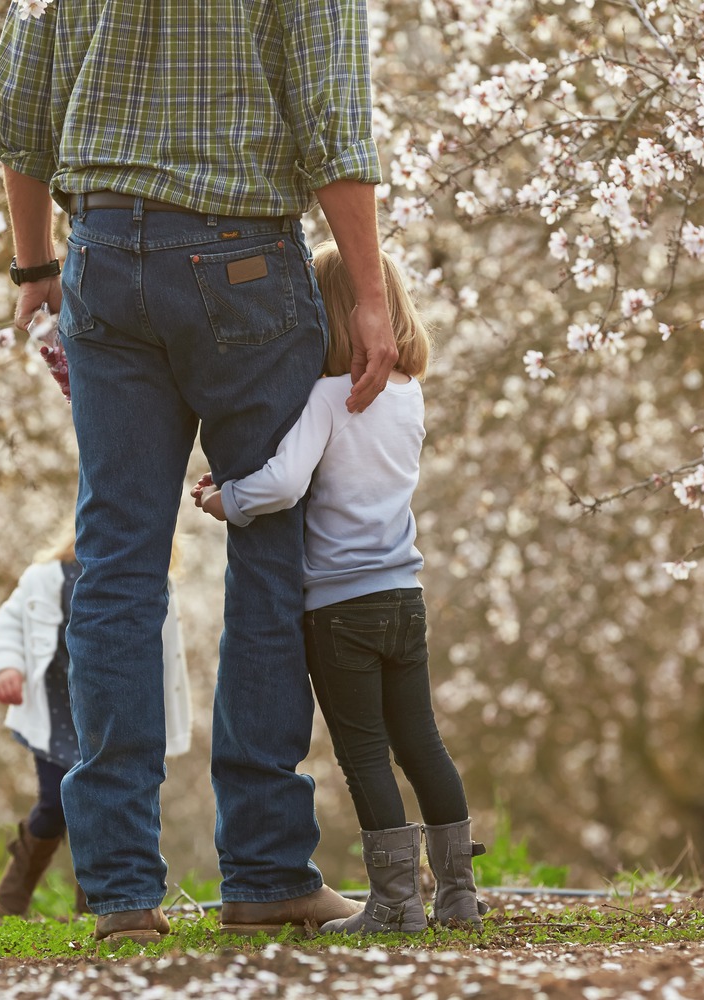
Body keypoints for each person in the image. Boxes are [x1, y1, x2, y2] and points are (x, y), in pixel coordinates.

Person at [0, 0, 398, 942]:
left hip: (100, 257)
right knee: (269, 543)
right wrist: (369, 295)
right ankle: (263, 869)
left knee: (116, 561)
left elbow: (19, 104)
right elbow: (333, 115)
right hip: (243, 255)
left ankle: (123, 890)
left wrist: (33, 264)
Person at [192, 242, 488, 934]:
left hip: (338, 607)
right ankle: (458, 897)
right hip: (402, 596)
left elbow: (286, 483)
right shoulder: (409, 397)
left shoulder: (330, 397)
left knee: (362, 753)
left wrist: (227, 499)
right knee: (422, 741)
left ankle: (393, 905)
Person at [0, 525, 192, 920]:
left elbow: (165, 652)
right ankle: (16, 887)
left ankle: (99, 901)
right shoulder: (45, 577)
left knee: (104, 798)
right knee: (52, 803)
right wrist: (6, 666)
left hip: (110, 710)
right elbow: (9, 622)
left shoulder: (151, 581)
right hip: (56, 709)